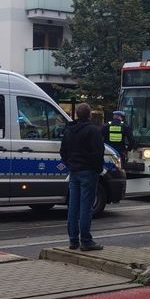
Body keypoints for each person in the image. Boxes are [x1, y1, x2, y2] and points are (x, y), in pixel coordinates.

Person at [60, 103, 104, 251]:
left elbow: (63, 152)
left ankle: (73, 240)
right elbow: (99, 153)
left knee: (73, 206)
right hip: (89, 172)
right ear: (89, 114)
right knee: (86, 207)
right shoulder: (93, 131)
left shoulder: (69, 131)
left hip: (74, 172)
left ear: (77, 115)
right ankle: (86, 240)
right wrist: (96, 169)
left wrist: (71, 165)